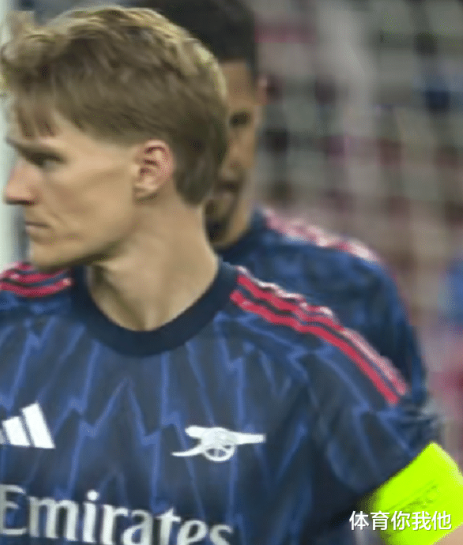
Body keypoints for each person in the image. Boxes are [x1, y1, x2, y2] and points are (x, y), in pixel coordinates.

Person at [0, 6, 461, 545]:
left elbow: (435, 512)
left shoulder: (304, 358)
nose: (16, 189)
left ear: (148, 168)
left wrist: (333, 518)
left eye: (48, 161)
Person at [131, 0, 429, 406]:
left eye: (236, 124)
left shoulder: (349, 286)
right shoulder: (75, 292)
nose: (218, 159)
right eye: (191, 131)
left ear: (261, 101)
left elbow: (410, 443)